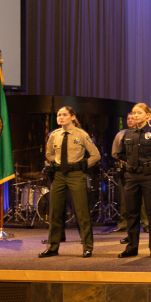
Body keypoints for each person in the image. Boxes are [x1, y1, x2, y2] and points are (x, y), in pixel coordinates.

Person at [39, 107, 101, 258]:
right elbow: (49, 154)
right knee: (54, 211)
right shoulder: (54, 135)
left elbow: (95, 155)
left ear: (72, 117)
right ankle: (53, 247)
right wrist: (57, 163)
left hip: (76, 175)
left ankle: (87, 247)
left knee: (82, 212)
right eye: (59, 115)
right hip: (59, 175)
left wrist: (82, 165)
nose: (60, 117)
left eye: (64, 115)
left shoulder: (81, 134)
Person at [115, 103, 151, 258]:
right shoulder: (128, 134)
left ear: (148, 116)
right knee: (132, 213)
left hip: (149, 177)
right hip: (132, 177)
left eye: (139, 112)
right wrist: (131, 162)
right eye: (134, 113)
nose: (135, 115)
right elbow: (120, 153)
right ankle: (132, 247)